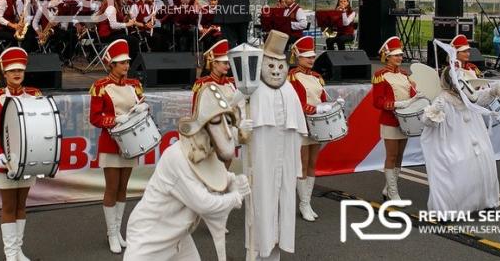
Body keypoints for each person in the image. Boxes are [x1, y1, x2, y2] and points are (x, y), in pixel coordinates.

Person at [124, 84, 251, 261]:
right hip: (149, 238)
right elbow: (204, 203)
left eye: (227, 122)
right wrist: (236, 197)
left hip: (179, 236)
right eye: (216, 122)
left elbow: (217, 177)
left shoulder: (206, 149)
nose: (227, 133)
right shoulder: (177, 156)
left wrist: (234, 180)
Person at [247, 30, 307, 260]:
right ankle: (256, 254)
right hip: (262, 158)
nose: (275, 71)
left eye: (280, 66)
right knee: (261, 204)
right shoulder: (252, 87)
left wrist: (297, 162)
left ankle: (274, 256)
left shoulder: (289, 89)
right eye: (270, 65)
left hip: (286, 159)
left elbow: (299, 127)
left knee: (284, 205)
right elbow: (235, 113)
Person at [421, 63, 500, 213]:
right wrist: (435, 110)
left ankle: (485, 202)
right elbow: (427, 122)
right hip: (454, 140)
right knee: (457, 167)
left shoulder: (467, 95)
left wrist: (493, 91)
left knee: (483, 162)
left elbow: (479, 98)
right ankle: (449, 209)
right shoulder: (443, 99)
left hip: (475, 136)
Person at [0, 47, 42, 261]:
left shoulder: (34, 95)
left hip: (27, 159)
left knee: (21, 205)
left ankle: (18, 250)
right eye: (12, 70)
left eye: (20, 70)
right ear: (4, 73)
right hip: (4, 160)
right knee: (9, 205)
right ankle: (10, 254)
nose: (17, 74)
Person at [89, 39, 147, 253]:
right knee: (112, 188)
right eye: (122, 62)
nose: (126, 66)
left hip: (131, 142)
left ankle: (118, 230)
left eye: (127, 62)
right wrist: (113, 120)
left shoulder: (134, 85)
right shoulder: (100, 87)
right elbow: (95, 118)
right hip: (111, 143)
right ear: (111, 64)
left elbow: (142, 105)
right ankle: (111, 232)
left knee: (123, 187)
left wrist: (144, 108)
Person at [287, 36, 343, 222]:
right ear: (298, 57)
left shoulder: (317, 77)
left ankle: (307, 201)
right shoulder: (292, 76)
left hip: (317, 124)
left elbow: (322, 99)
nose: (311, 60)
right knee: (303, 164)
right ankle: (303, 204)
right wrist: (315, 109)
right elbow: (296, 103)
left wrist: (332, 105)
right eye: (307, 57)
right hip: (302, 123)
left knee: (312, 163)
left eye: (312, 56)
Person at [372, 36, 420, 200]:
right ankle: (393, 192)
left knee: (400, 156)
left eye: (400, 55)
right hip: (390, 120)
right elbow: (377, 102)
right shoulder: (380, 75)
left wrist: (418, 95)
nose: (400, 57)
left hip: (405, 121)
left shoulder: (405, 75)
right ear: (387, 56)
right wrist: (397, 105)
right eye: (395, 55)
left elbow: (412, 95)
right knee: (391, 155)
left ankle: (389, 188)